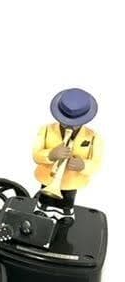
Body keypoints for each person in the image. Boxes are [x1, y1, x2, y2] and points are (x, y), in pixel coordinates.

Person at [33, 88, 103, 222]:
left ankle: (65, 216)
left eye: (75, 123)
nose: (70, 126)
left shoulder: (93, 137)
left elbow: (97, 163)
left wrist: (83, 165)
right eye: (65, 121)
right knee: (45, 201)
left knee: (67, 202)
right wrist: (51, 154)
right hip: (47, 179)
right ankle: (42, 212)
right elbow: (36, 155)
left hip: (71, 182)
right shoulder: (46, 130)